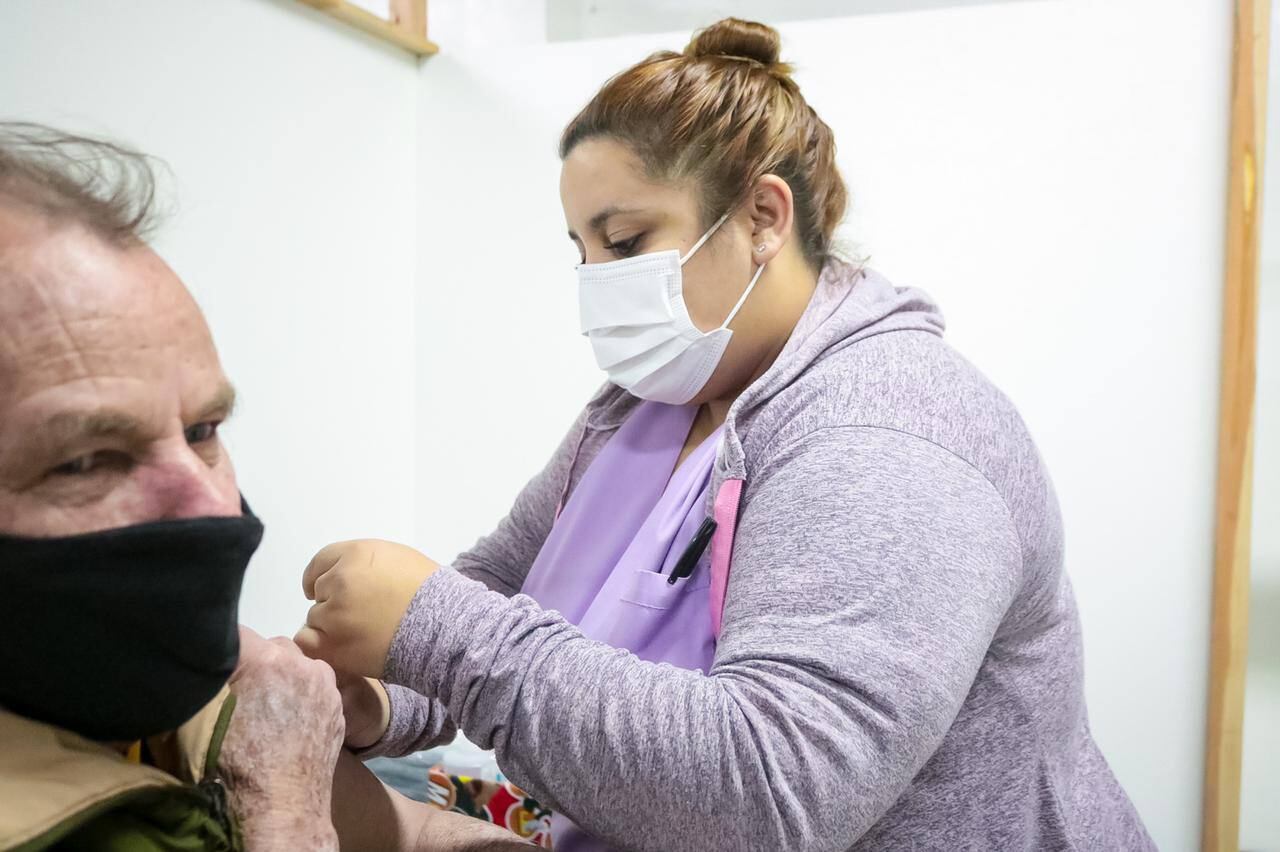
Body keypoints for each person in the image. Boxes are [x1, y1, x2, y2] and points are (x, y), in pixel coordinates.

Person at [295, 18, 1156, 852]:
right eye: (581, 250)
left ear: (763, 218)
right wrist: (380, 698)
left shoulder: (891, 435)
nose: (596, 282)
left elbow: (774, 795)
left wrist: (434, 630)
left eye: (626, 241)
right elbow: (502, 593)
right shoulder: (646, 404)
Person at [0, 123, 530, 851]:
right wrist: (285, 804)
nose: (210, 504)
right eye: (88, 461)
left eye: (203, 431)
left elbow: (415, 831)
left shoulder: (172, 698)